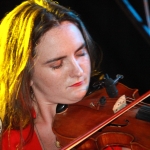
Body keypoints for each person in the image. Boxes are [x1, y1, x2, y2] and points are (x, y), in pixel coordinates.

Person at [0, 0, 129, 149]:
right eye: (57, 64)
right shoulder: (9, 142)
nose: (78, 71)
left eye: (81, 53)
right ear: (25, 75)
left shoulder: (115, 121)